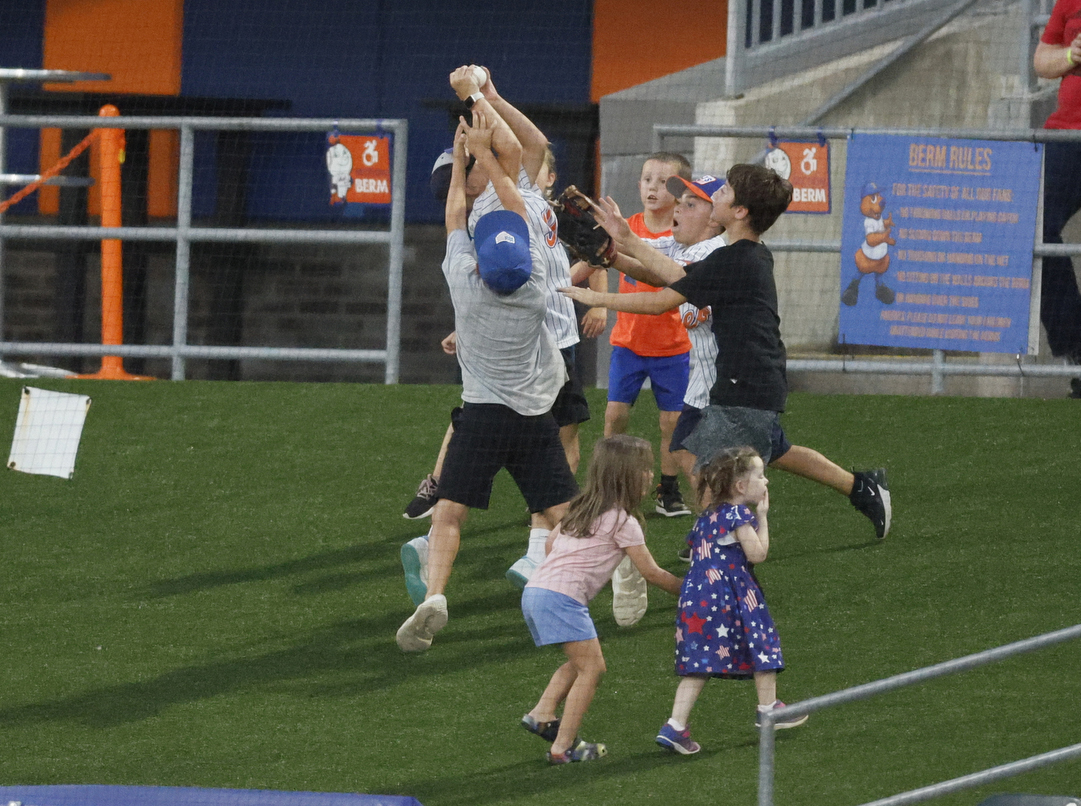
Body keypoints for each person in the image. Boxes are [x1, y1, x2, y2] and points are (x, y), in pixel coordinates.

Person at [560, 164, 892, 542]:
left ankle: (724, 538)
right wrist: (619, 247)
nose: (679, 208)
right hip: (727, 382)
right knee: (757, 452)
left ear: (731, 215)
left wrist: (598, 292)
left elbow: (667, 289)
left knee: (704, 463)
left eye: (696, 201)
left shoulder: (725, 254)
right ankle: (857, 489)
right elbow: (666, 273)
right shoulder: (712, 250)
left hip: (739, 383)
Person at [401, 65, 592, 593]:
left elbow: (526, 144)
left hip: (507, 348)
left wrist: (488, 102)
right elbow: (517, 144)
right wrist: (475, 96)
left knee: (484, 442)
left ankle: (438, 530)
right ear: (472, 176)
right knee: (560, 455)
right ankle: (574, 557)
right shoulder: (508, 203)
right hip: (544, 343)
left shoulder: (481, 211)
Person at [519, 435, 683, 764]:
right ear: (626, 476)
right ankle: (562, 748)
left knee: (580, 662)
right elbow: (651, 573)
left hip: (536, 591)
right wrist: (693, 592)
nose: (651, 476)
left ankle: (542, 713)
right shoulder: (625, 522)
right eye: (645, 470)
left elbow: (551, 545)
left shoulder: (580, 510)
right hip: (561, 598)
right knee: (593, 669)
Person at [654, 447, 807, 755]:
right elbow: (757, 554)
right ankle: (768, 710)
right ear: (740, 487)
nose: (766, 482)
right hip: (729, 593)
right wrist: (762, 518)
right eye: (761, 476)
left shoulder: (705, 519)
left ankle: (675, 725)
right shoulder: (738, 516)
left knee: (698, 664)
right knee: (762, 642)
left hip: (695, 598)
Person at [602, 152, 695, 518]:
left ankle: (667, 489)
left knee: (671, 422)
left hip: (673, 347)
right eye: (646, 179)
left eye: (662, 181)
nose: (652, 187)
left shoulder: (683, 234)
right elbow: (598, 257)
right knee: (615, 414)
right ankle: (609, 487)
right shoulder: (626, 226)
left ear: (680, 190)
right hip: (628, 344)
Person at [1034, 2, 1081, 398]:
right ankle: (1077, 350)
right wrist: (1070, 54)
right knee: (1038, 229)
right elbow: (1042, 61)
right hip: (1066, 135)